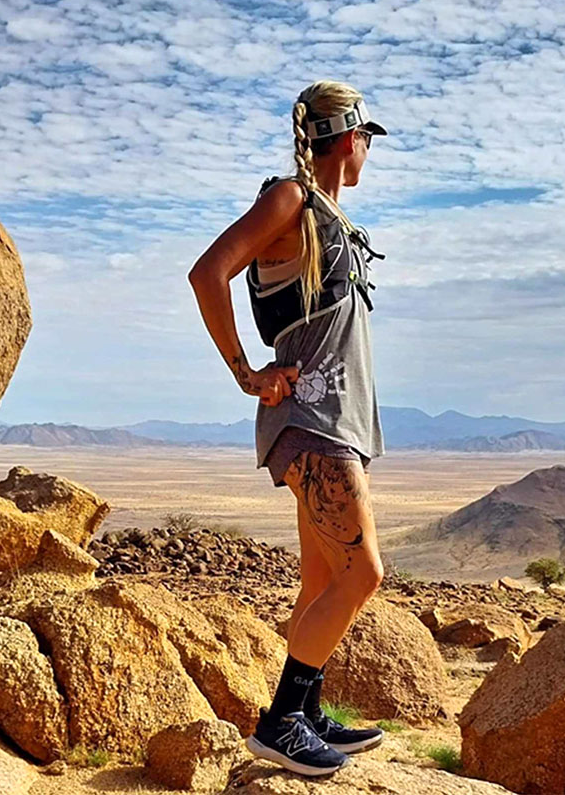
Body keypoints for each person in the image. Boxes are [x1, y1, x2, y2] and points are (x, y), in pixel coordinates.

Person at [188, 80, 388, 777]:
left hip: (334, 420)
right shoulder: (292, 198)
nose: (369, 151)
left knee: (320, 580)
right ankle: (280, 723)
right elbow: (207, 272)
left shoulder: (328, 212)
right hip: (310, 421)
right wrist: (247, 372)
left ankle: (306, 712)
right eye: (367, 139)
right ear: (347, 138)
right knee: (364, 572)